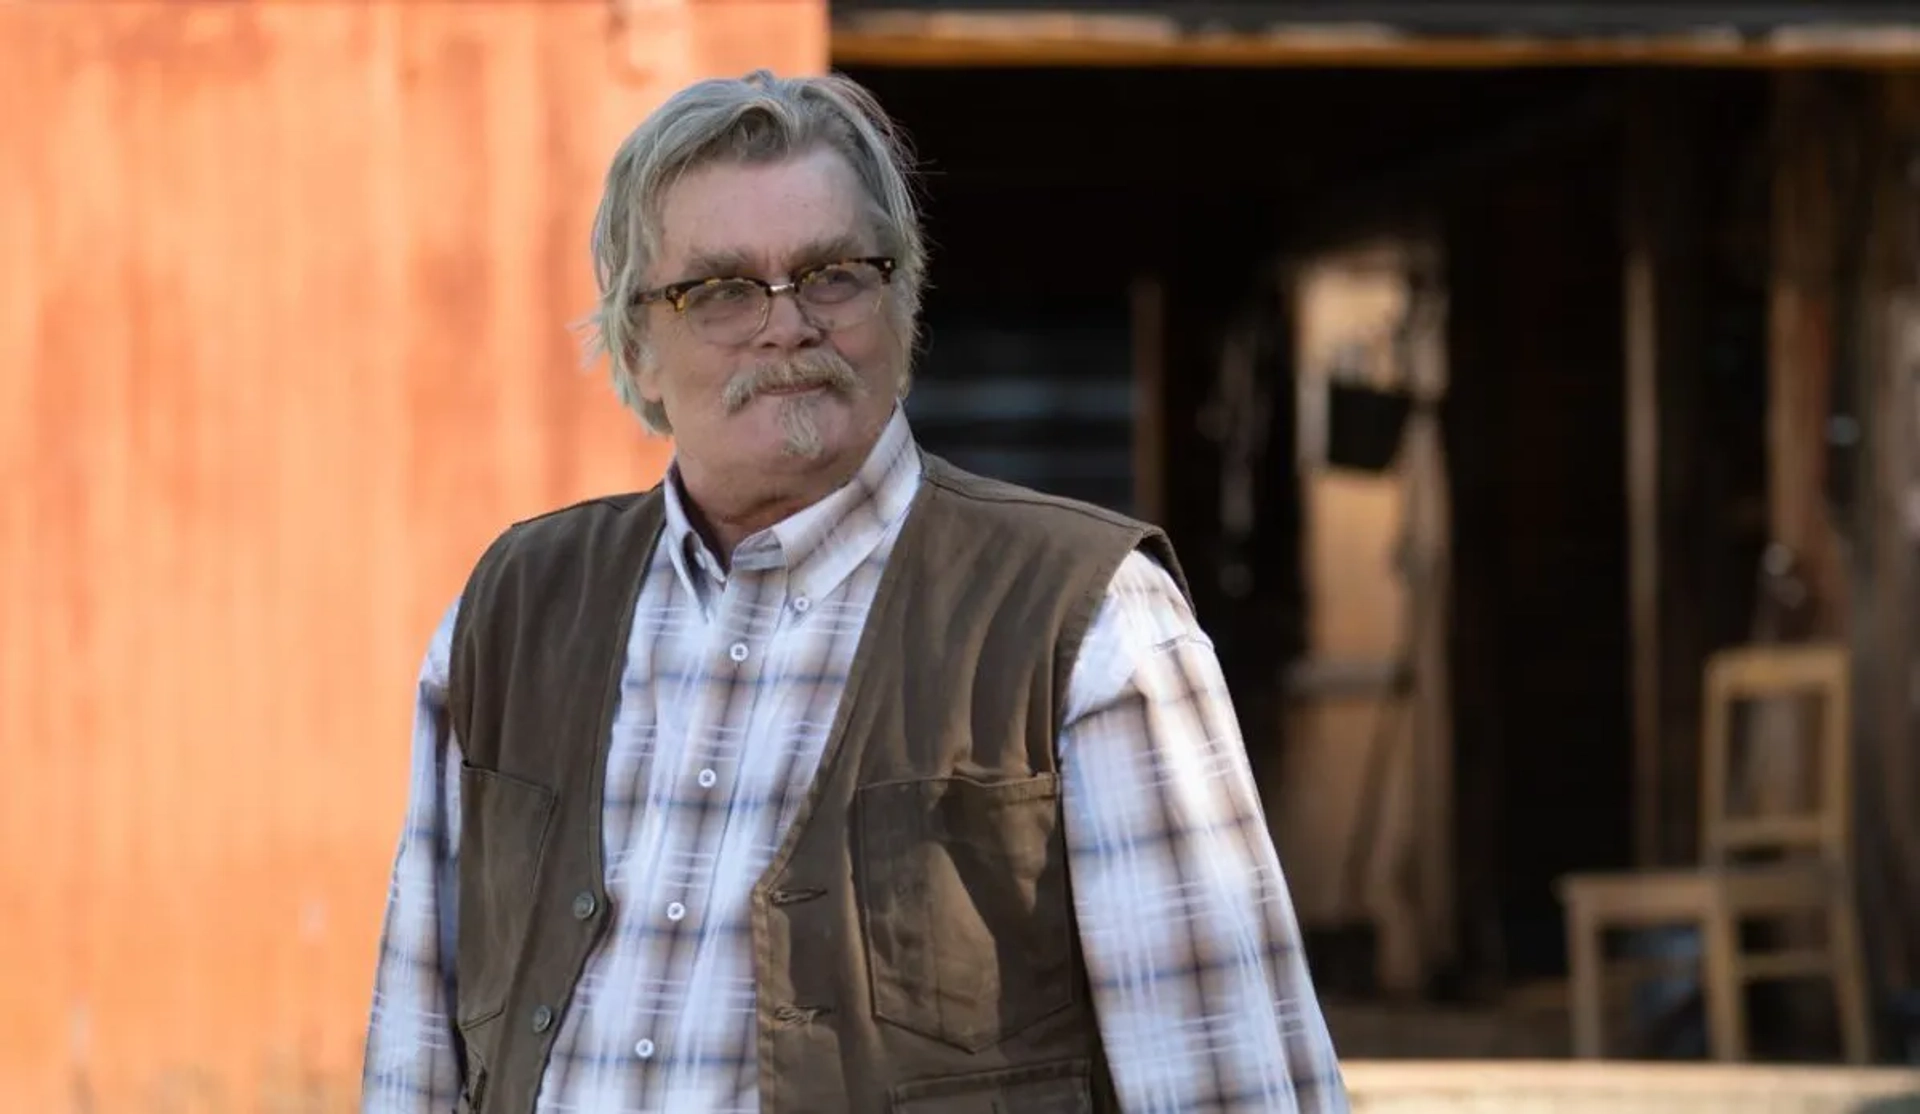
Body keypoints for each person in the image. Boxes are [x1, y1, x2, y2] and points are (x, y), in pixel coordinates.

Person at [358, 69, 1346, 1114]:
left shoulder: (1093, 622)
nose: (788, 326)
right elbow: (416, 1053)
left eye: (833, 274)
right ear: (639, 347)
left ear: (902, 304)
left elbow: (1234, 1091)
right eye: (723, 289)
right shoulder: (516, 610)